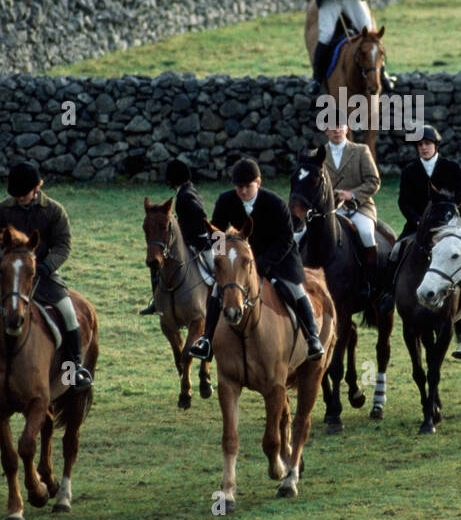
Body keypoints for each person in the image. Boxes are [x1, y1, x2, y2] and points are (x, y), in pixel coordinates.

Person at [0, 162, 92, 392]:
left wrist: (47, 266)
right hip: (9, 275)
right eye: (16, 194)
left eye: (24, 193)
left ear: (37, 188)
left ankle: (75, 367)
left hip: (43, 275)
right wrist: (0, 262)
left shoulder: (54, 211)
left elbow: (63, 244)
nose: (20, 198)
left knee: (69, 315)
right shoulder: (2, 210)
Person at [187, 158, 324, 361]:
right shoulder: (225, 201)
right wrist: (222, 260)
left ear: (258, 183)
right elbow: (216, 234)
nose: (243, 191)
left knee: (294, 289)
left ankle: (312, 337)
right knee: (218, 289)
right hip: (240, 260)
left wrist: (260, 264)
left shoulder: (276, 203)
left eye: (247, 186)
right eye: (239, 187)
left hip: (279, 257)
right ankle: (206, 340)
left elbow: (286, 239)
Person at [385, 124, 461, 315]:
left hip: (449, 225)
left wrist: (452, 219)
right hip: (417, 226)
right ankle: (389, 293)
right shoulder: (409, 170)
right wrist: (417, 221)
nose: (424, 147)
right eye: (420, 144)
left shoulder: (453, 168)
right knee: (395, 251)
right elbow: (404, 201)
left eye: (427, 143)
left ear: (435, 145)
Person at [139, 158, 213, 315]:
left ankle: (218, 301)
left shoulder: (184, 197)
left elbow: (199, 214)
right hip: (196, 240)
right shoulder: (191, 190)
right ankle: (158, 301)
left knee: (216, 272)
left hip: (201, 243)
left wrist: (197, 234)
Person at [320, 121, 383, 301]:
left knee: (366, 233)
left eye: (341, 126)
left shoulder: (361, 150)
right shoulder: (319, 154)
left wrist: (352, 194)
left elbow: (373, 181)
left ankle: (371, 283)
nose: (337, 130)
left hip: (360, 206)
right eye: (333, 126)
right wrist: (333, 196)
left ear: (347, 129)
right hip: (330, 209)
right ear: (326, 130)